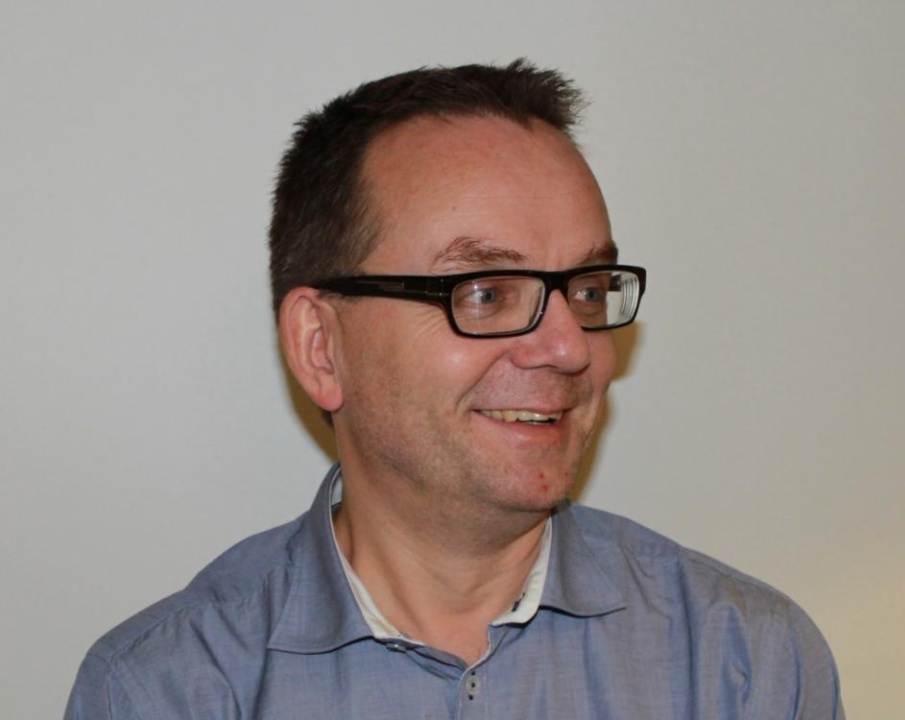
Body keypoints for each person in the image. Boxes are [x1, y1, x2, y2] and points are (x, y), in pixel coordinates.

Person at [65, 60, 844, 719]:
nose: (570, 347)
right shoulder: (168, 691)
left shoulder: (746, 665)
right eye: (485, 292)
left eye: (586, 288)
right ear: (321, 346)